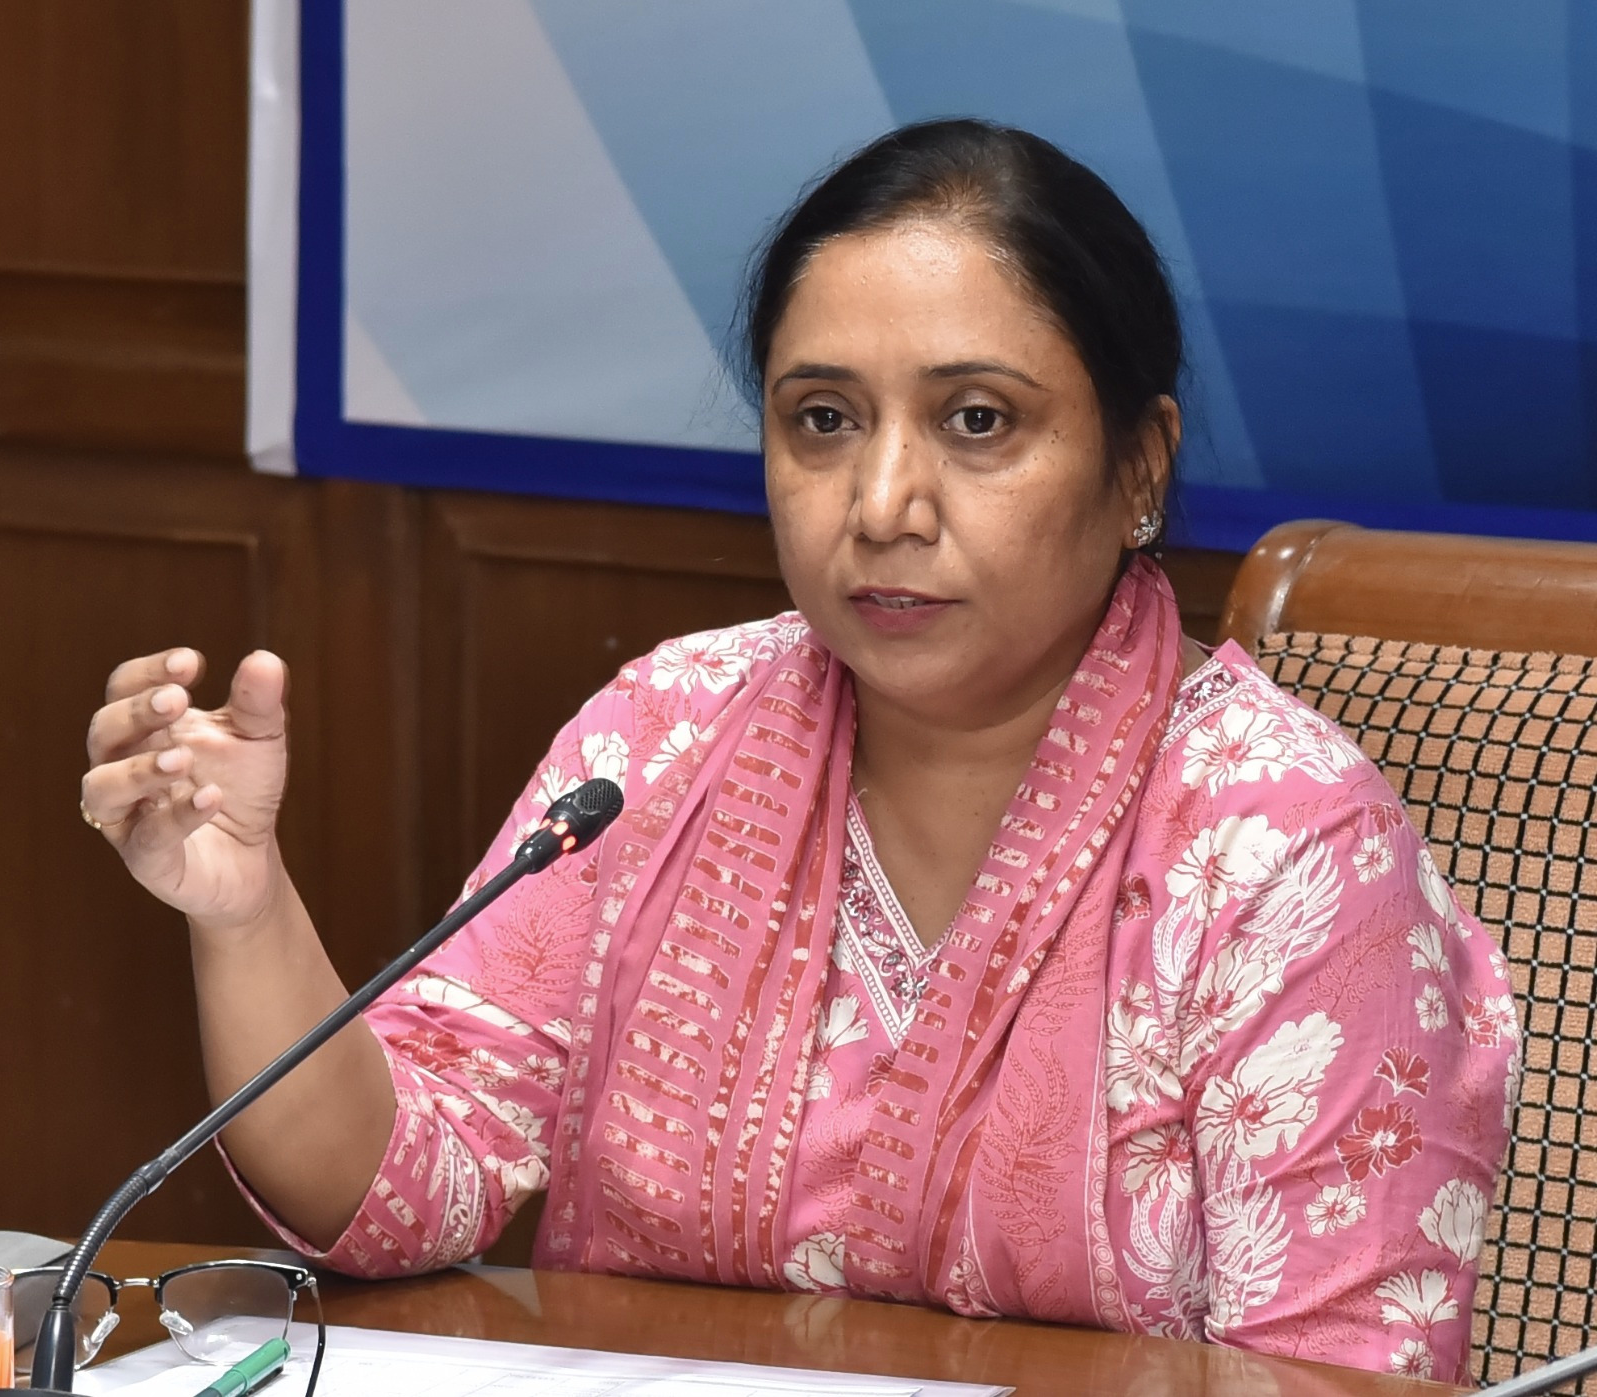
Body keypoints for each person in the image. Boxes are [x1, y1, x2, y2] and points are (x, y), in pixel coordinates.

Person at [80, 120, 1516, 1381]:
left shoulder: (1287, 847)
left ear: (1138, 464)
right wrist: (245, 910)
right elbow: (400, 1190)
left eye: (977, 422)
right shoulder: (667, 732)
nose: (882, 502)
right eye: (823, 420)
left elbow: (1343, 1383)